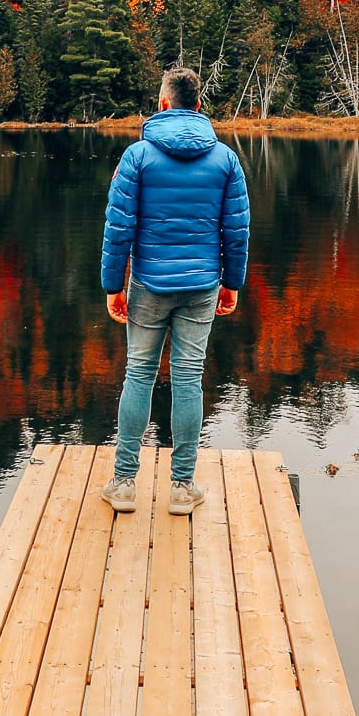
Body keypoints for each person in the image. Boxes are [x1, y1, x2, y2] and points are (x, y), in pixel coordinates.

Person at [99, 65, 250, 516]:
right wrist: (232, 283)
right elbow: (237, 230)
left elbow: (118, 228)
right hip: (203, 285)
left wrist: (114, 285)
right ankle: (182, 488)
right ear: (198, 106)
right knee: (187, 378)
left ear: (162, 103)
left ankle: (124, 484)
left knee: (139, 375)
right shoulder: (225, 158)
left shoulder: (137, 156)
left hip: (148, 282)